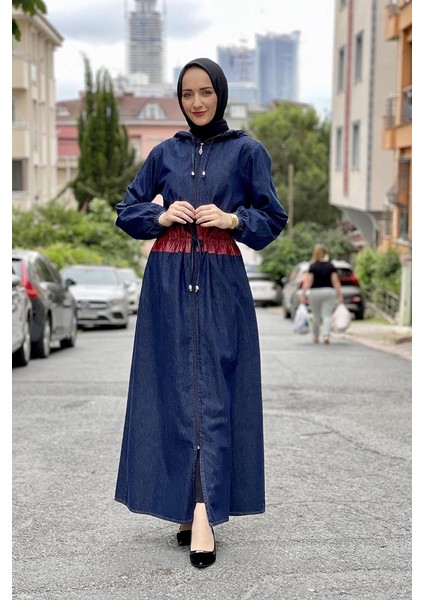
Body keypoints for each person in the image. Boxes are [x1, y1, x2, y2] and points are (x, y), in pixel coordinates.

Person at [114, 57, 288, 569]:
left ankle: (204, 512)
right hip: (167, 282)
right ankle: (189, 506)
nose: (197, 102)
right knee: (175, 391)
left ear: (221, 94)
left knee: (213, 393)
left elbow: (273, 217)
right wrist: (161, 214)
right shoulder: (164, 152)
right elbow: (127, 209)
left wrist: (233, 219)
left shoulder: (248, 151)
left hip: (220, 281)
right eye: (188, 93)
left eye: (206, 91)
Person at [299, 244, 344, 344]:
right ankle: (326, 336)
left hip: (315, 292)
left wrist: (303, 294)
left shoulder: (313, 266)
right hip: (329, 292)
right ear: (325, 253)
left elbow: (308, 281)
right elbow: (335, 281)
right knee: (327, 315)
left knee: (316, 316)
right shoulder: (330, 266)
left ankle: (315, 337)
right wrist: (339, 294)